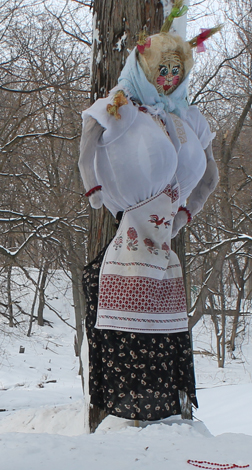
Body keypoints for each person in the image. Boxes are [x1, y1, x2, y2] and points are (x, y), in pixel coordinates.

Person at [78, 3, 220, 423]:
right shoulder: (122, 106)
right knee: (120, 309)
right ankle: (123, 410)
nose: (169, 78)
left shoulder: (187, 118)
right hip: (126, 234)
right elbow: (89, 138)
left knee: (162, 320)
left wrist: (187, 213)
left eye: (177, 71)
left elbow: (209, 176)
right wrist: (92, 186)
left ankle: (165, 410)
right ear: (144, 67)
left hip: (164, 244)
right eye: (162, 69)